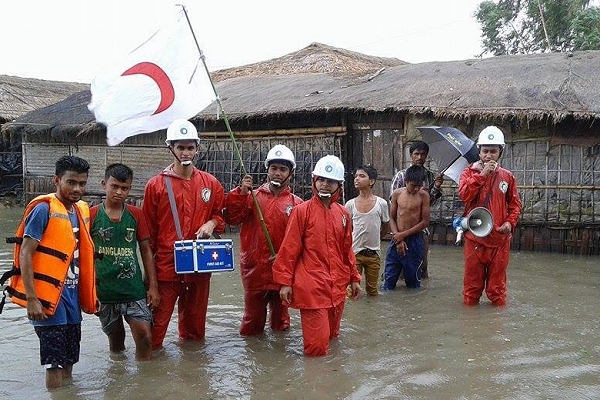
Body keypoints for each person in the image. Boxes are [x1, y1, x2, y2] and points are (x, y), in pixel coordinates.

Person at [4, 155, 97, 389]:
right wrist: (32, 299)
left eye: (82, 184)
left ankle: (68, 394)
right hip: (46, 300)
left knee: (69, 360)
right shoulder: (43, 210)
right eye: (71, 182)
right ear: (57, 180)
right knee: (54, 363)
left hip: (71, 297)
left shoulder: (79, 211)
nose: (77, 189)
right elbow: (26, 253)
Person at [142, 119, 225, 350]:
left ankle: (193, 379)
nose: (186, 152)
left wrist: (211, 223)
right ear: (171, 148)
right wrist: (151, 281)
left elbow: (221, 218)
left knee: (196, 333)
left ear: (197, 148)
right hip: (167, 269)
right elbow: (147, 236)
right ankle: (150, 376)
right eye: (181, 147)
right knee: (155, 332)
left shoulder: (211, 183)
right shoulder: (156, 186)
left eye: (190, 147)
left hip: (199, 267)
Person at [273, 155, 361, 357]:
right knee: (316, 349)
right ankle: (315, 384)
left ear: (338, 185)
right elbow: (289, 249)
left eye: (330, 181)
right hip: (312, 287)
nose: (325, 185)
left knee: (332, 337)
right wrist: (285, 282)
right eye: (321, 179)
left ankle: (333, 383)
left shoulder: (343, 214)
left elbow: (346, 249)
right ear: (314, 180)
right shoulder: (301, 211)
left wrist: (354, 278)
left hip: (337, 286)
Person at [224, 145, 303, 336]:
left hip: (282, 273)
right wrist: (241, 193)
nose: (277, 173)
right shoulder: (252, 197)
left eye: (282, 169)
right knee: (251, 321)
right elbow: (232, 219)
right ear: (267, 170)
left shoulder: (297, 204)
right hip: (254, 270)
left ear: (290, 173)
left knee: (281, 322)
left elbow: (301, 243)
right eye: (273, 168)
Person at [90, 163, 160, 360]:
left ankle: (144, 384)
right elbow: (83, 253)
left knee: (145, 337)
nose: (119, 192)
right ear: (104, 184)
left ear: (130, 188)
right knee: (116, 340)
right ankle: (117, 379)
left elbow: (146, 250)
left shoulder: (136, 215)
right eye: (115, 186)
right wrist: (88, 291)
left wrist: (153, 285)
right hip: (104, 290)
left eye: (124, 188)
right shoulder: (92, 215)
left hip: (133, 288)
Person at [458, 126, 522, 307]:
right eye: (485, 151)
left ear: (500, 152)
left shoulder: (507, 177)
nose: (489, 156)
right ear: (479, 152)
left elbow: (515, 205)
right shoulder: (468, 173)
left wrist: (510, 223)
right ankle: (470, 325)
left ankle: (496, 328)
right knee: (471, 289)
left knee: (497, 290)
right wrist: (482, 174)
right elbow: (464, 195)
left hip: (499, 239)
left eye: (493, 151)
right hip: (474, 238)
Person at [390, 141, 443, 278]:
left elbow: (429, 205)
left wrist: (435, 187)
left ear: (427, 157)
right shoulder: (401, 176)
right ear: (411, 155)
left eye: (423, 154)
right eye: (416, 154)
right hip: (400, 229)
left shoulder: (430, 176)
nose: (419, 157)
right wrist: (398, 235)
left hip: (420, 229)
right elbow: (394, 206)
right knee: (399, 269)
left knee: (422, 266)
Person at [383, 165, 431, 290]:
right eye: (413, 185)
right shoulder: (397, 194)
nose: (416, 189)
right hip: (396, 238)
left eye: (418, 186)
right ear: (406, 181)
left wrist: (403, 235)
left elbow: (425, 222)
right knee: (389, 279)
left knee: (413, 282)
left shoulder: (424, 196)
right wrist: (398, 237)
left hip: (414, 240)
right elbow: (392, 218)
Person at [345, 165, 390, 296]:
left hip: (374, 254)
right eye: (356, 176)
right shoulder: (350, 204)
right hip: (355, 253)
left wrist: (378, 239)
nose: (357, 179)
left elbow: (386, 225)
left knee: (372, 291)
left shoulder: (381, 203)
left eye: (362, 176)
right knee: (351, 292)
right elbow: (347, 229)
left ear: (372, 181)